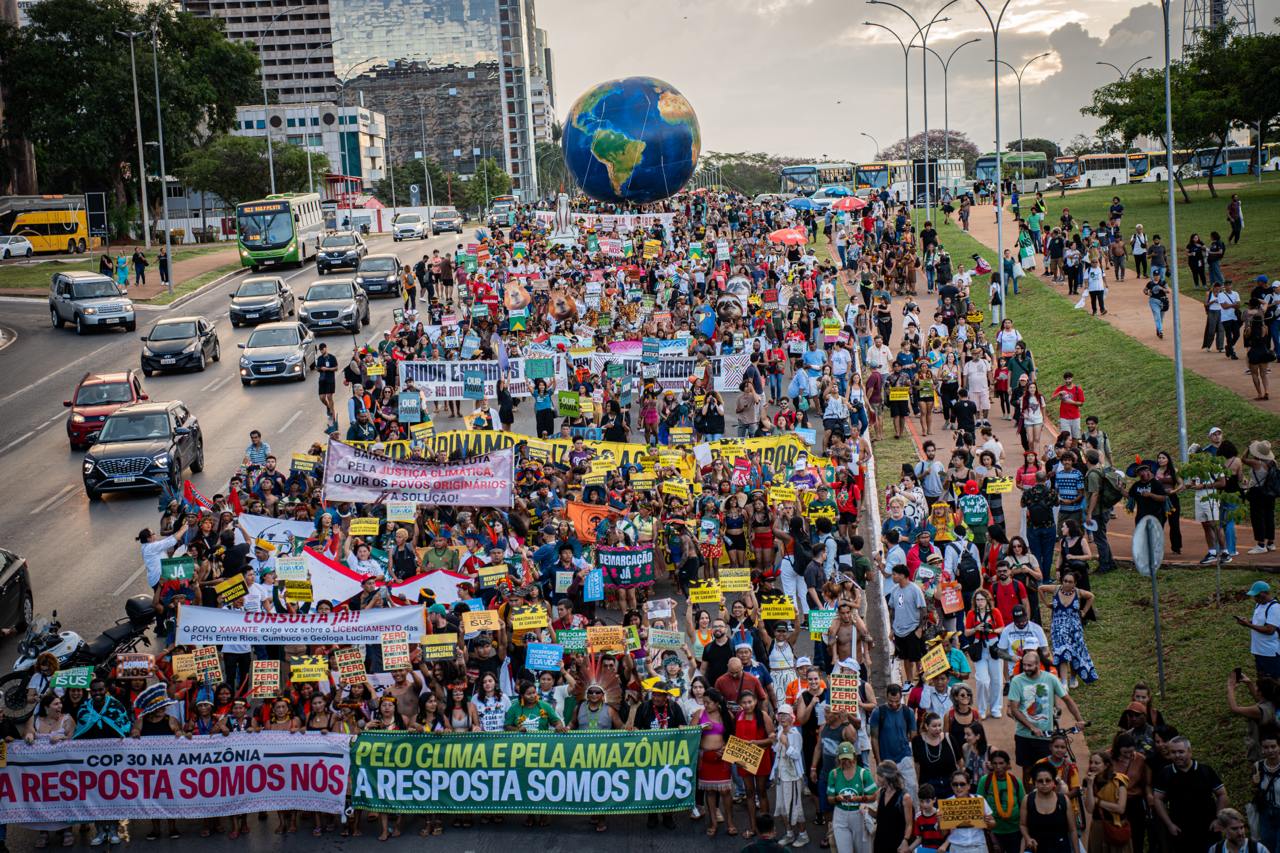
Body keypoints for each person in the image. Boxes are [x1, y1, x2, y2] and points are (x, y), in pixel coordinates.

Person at [1006, 649, 1086, 783]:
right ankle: (1029, 799)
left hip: (1045, 735)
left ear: (1038, 665)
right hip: (1024, 735)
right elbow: (1014, 709)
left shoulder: (1050, 679)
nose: (1026, 668)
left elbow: (1068, 700)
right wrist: (1032, 727)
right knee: (1027, 769)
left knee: (1046, 770)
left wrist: (1080, 720)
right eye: (1024, 665)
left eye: (1029, 665)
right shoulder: (1017, 681)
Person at [1152, 736, 1229, 853]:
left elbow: (1222, 794)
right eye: (1173, 752)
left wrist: (1218, 819)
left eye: (1181, 752)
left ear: (1189, 752)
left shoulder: (1205, 771)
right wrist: (1169, 824)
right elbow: (1157, 799)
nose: (1177, 755)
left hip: (1208, 828)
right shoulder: (1166, 773)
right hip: (1180, 829)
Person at [827, 741, 876, 853]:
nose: (846, 762)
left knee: (863, 850)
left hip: (859, 815)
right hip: (840, 815)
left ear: (854, 756)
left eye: (848, 758)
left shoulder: (864, 774)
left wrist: (859, 799)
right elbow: (829, 799)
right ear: (838, 758)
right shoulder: (834, 774)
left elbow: (874, 796)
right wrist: (837, 798)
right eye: (843, 759)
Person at [1021, 765, 1079, 853]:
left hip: (1061, 849)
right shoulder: (1027, 800)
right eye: (1040, 781)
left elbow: (1073, 830)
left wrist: (1077, 851)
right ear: (1035, 783)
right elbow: (1023, 825)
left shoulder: (1064, 800)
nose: (1044, 784)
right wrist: (1027, 838)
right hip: (1037, 849)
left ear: (1053, 782)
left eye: (1048, 780)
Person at [1239, 580, 1280, 678]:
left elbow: (1270, 630)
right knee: (1262, 679)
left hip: (1269, 652)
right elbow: (1259, 622)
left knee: (1272, 681)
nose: (1254, 598)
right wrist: (1248, 622)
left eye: (1256, 596)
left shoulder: (1275, 608)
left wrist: (1248, 625)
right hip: (1258, 650)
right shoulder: (1259, 605)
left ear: (1264, 594)